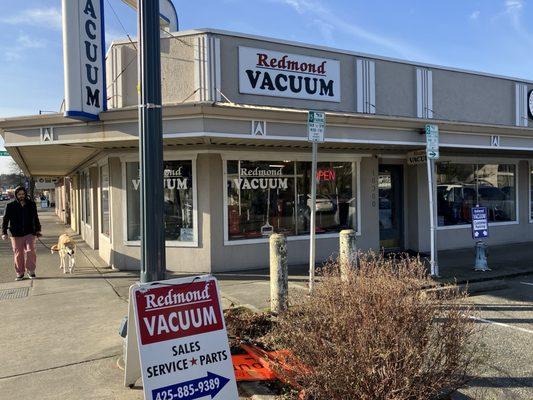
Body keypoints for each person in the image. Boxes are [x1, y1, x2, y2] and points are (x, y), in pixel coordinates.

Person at [2, 186, 42, 281]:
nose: (21, 196)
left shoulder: (31, 204)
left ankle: (31, 271)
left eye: (23, 194)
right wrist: (4, 232)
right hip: (16, 234)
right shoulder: (10, 206)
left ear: (25, 194)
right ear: (16, 195)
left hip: (29, 232)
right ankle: (20, 273)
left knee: (30, 251)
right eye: (19, 194)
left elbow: (35, 218)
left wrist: (38, 230)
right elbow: (5, 220)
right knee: (18, 254)